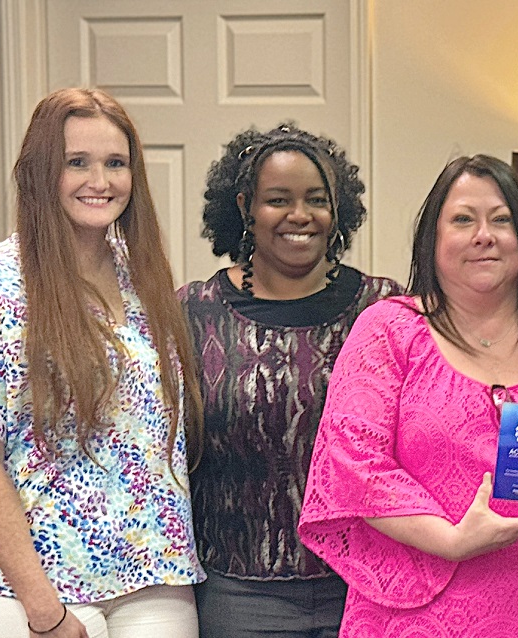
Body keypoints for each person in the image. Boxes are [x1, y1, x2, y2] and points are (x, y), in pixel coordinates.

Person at [298, 154, 518, 637]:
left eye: (502, 220)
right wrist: (454, 540)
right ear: (433, 240)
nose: (485, 235)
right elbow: (353, 462)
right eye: (463, 219)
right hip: (418, 616)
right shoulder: (390, 331)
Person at [0, 88, 204, 638]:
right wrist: (44, 612)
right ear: (41, 172)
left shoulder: (142, 278)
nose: (100, 181)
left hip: (152, 579)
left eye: (115, 163)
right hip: (25, 590)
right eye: (77, 162)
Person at [179, 123, 403, 638]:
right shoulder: (192, 312)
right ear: (244, 207)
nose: (299, 216)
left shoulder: (385, 309)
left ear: (337, 209)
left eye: (316, 199)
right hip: (238, 593)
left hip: (363, 586)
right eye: (278, 199)